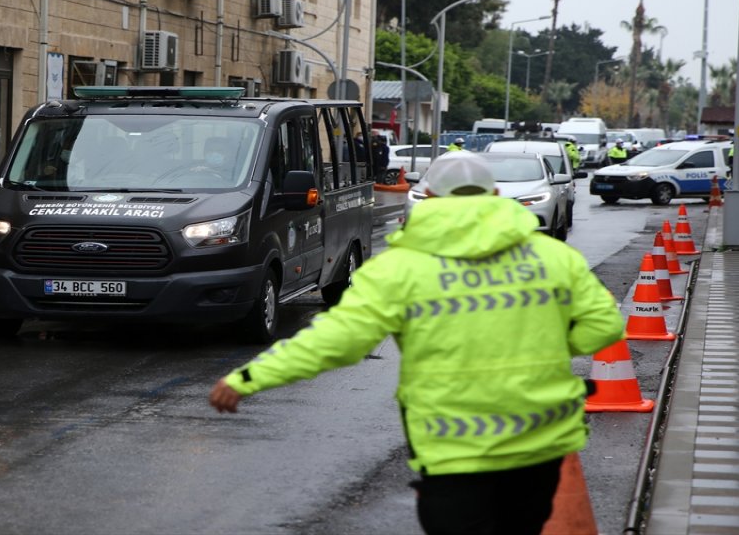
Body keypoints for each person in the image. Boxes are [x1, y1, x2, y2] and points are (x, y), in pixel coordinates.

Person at [208, 151, 625, 535]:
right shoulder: (553, 258)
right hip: (541, 445)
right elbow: (603, 326)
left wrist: (250, 377)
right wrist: (547, 347)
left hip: (453, 451)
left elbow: (335, 342)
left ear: (427, 196)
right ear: (496, 195)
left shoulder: (399, 269)